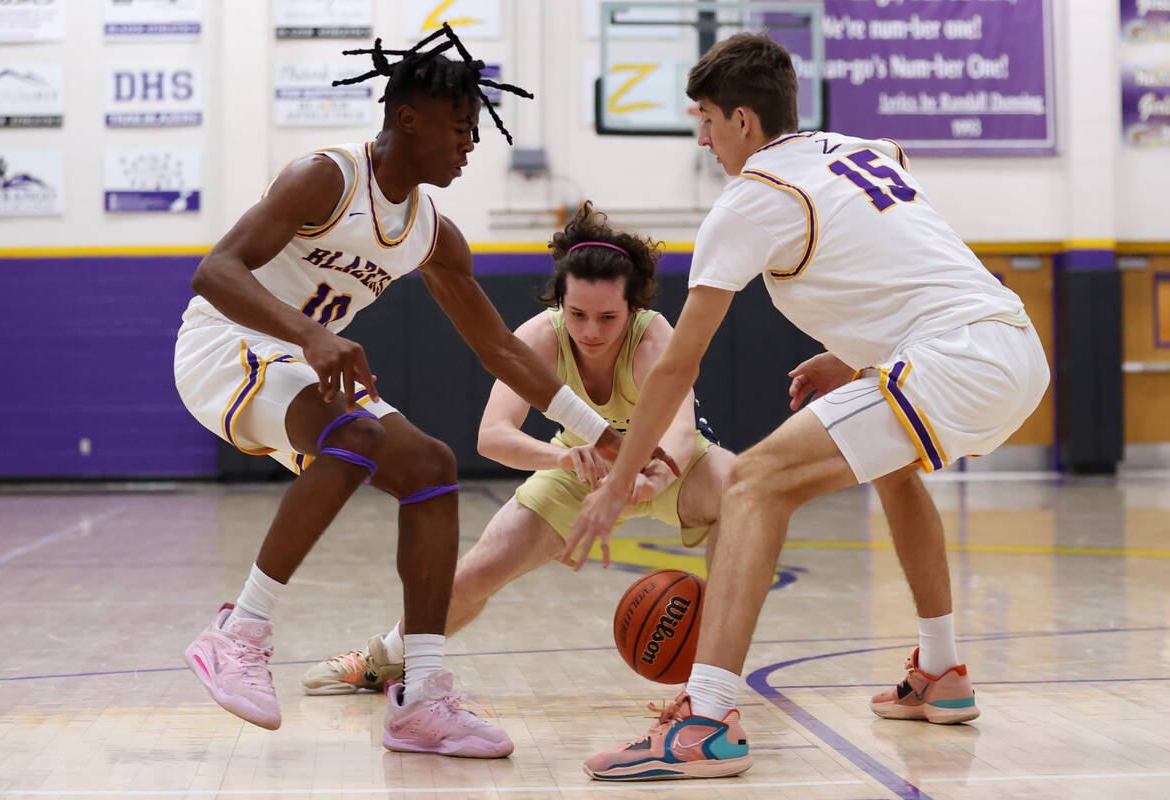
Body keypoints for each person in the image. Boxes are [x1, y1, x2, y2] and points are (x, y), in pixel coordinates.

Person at [564, 32, 1050, 781]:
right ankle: (943, 674)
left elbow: (677, 365)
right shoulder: (857, 149)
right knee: (893, 470)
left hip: (955, 356)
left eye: (707, 120)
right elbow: (897, 246)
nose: (703, 137)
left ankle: (706, 722)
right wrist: (864, 352)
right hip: (1009, 344)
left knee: (755, 480)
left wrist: (621, 479)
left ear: (744, 122)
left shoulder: (753, 197)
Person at [173, 27, 664, 757]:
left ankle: (421, 696)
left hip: (306, 366)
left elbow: (499, 348)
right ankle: (238, 632)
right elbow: (215, 271)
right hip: (225, 346)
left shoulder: (433, 232)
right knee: (360, 437)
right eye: (461, 128)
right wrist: (310, 337)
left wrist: (596, 430)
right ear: (409, 119)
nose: (471, 145)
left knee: (431, 466)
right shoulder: (327, 178)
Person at [300, 202, 734, 695]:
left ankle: (711, 682)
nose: (591, 331)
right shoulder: (541, 337)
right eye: (578, 314)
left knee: (741, 493)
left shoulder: (654, 335)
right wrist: (562, 457)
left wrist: (644, 479)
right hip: (581, 469)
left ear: (632, 307)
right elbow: (493, 436)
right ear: (560, 303)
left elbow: (678, 431)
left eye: (608, 317)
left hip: (665, 467)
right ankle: (386, 657)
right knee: (476, 571)